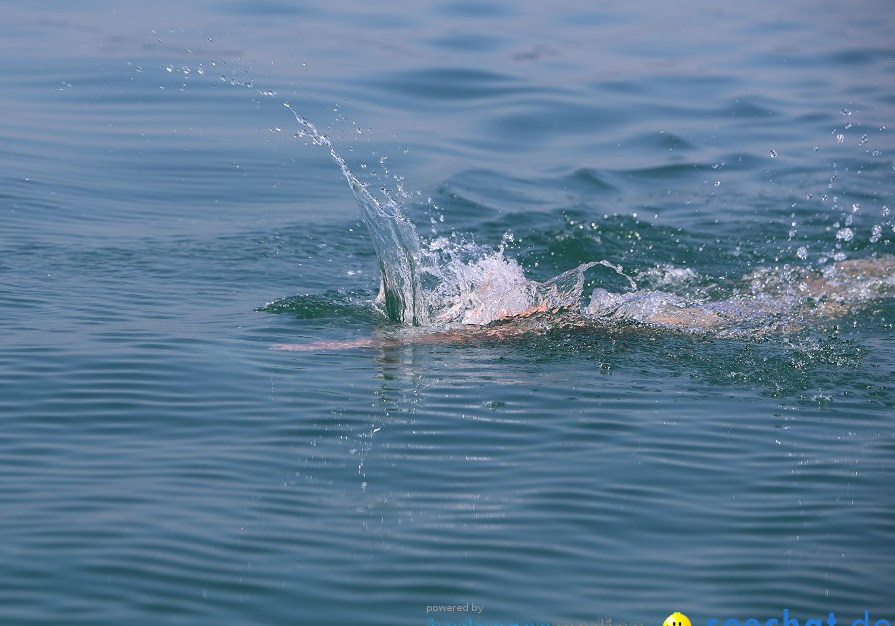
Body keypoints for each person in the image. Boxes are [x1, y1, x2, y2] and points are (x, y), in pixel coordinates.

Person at [276, 254, 895, 351]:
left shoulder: (505, 332)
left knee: (788, 312)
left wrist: (341, 346)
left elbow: (448, 339)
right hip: (646, 312)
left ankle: (861, 279)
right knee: (784, 299)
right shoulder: (510, 321)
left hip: (672, 322)